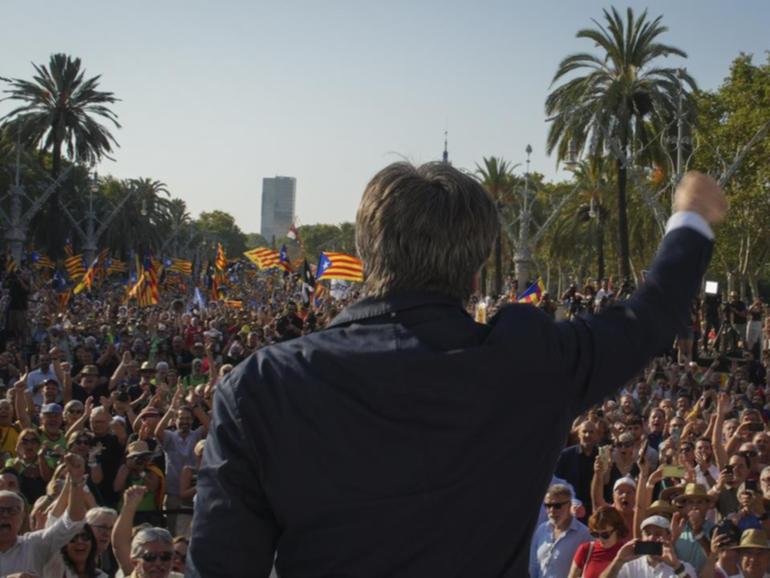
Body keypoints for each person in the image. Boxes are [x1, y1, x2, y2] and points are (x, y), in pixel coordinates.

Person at [188, 166, 725, 577]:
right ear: (475, 273)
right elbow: (647, 319)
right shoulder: (528, 361)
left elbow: (220, 565)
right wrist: (692, 217)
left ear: (364, 252)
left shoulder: (260, 385)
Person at [0, 453, 87, 576]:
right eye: (0, 510)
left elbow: (73, 523)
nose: (5, 515)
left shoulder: (34, 545)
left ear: (22, 517)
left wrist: (76, 481)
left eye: (12, 510)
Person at [599, 515, 696, 577]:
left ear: (668, 537)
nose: (651, 538)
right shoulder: (630, 566)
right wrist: (618, 560)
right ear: (642, 537)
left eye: (658, 534)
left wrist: (677, 567)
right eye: (647, 533)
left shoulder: (684, 568)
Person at [529, 483, 591, 577]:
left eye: (557, 506)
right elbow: (533, 566)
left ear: (570, 505)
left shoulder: (584, 535)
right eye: (548, 505)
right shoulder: (541, 530)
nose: (552, 510)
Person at [568, 506, 628, 578]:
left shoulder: (627, 552)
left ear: (618, 529)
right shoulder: (585, 549)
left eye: (605, 535)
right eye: (595, 534)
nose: (600, 539)